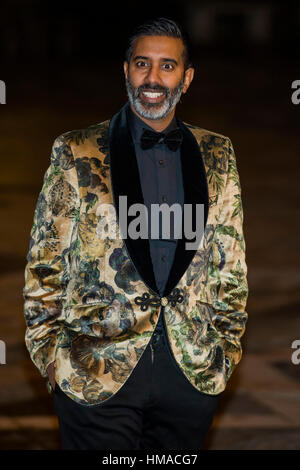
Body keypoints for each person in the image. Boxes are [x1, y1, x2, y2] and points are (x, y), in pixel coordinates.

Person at [23, 17, 249, 450]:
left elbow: (231, 265)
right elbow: (44, 264)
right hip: (98, 371)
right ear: (125, 69)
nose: (153, 77)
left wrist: (225, 351)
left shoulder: (218, 152)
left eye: (168, 66)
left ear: (187, 77)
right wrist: (51, 357)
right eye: (143, 63)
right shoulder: (78, 150)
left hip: (190, 372)